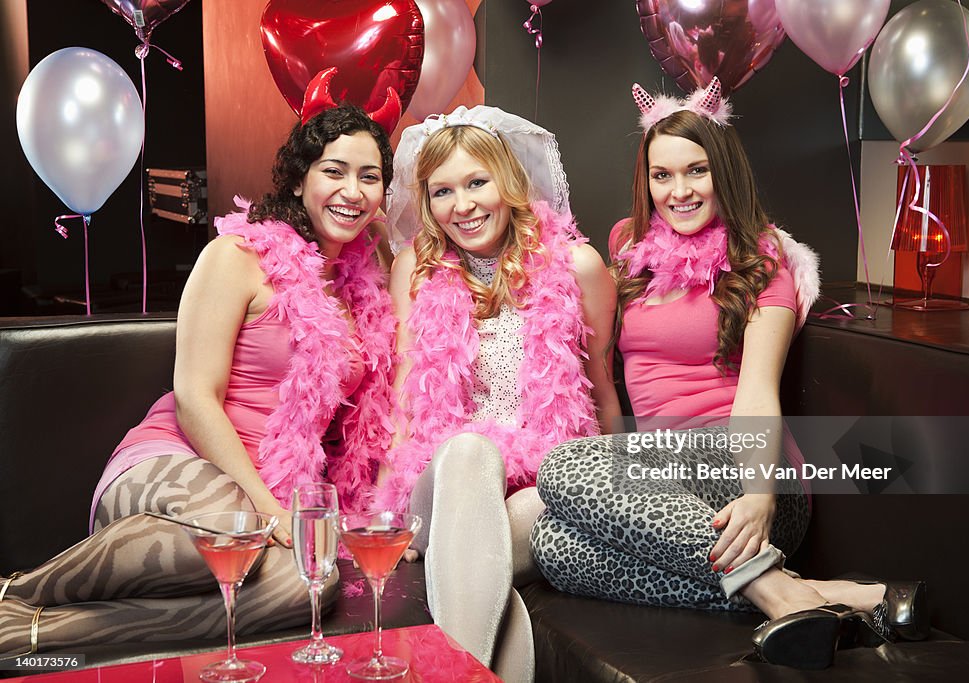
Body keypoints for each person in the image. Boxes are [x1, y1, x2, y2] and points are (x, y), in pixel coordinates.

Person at [530, 80, 928, 670]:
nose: (679, 191)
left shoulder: (764, 261)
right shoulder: (626, 243)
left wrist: (761, 496)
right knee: (553, 549)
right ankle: (822, 598)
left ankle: (777, 587)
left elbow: (758, 391)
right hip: (663, 485)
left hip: (746, 473)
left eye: (696, 171)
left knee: (563, 466)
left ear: (725, 172)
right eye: (662, 175)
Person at [0, 69, 397, 657]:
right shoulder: (235, 258)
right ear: (297, 181)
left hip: (275, 492)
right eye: (333, 171)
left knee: (304, 588)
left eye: (370, 178)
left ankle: (36, 631)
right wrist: (270, 512)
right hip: (176, 464)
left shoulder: (363, 289)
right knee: (233, 534)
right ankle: (21, 586)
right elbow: (194, 399)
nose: (353, 191)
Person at [374, 105, 621, 682]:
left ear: (508, 182)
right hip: (443, 479)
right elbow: (405, 399)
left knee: (533, 517)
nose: (462, 205)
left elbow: (601, 389)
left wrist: (608, 482)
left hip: (534, 485)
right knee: (469, 451)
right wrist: (388, 506)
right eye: (442, 192)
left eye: (477, 182)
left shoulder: (579, 267)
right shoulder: (415, 267)